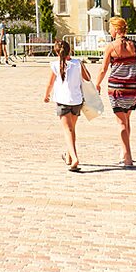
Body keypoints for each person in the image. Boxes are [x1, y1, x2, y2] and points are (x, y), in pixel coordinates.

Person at [95, 17, 136, 168]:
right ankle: (124, 151)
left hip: (117, 87)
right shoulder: (135, 45)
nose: (109, 30)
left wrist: (97, 84)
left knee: (121, 122)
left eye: (110, 28)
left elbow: (103, 69)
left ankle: (128, 157)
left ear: (116, 29)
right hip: (133, 87)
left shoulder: (111, 46)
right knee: (127, 120)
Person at [44, 39, 90, 172]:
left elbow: (50, 83)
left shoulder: (55, 65)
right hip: (76, 101)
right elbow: (88, 78)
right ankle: (68, 156)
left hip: (62, 101)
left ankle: (75, 158)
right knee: (72, 129)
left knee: (67, 130)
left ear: (57, 52)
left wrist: (46, 95)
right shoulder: (77, 63)